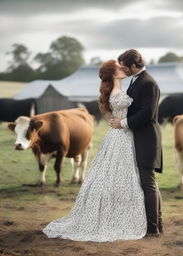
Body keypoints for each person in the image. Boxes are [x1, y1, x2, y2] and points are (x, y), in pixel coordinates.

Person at [42, 59, 147, 242]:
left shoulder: (121, 89)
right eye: (118, 68)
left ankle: (118, 212)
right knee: (118, 177)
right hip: (121, 135)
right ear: (113, 74)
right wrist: (122, 122)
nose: (122, 69)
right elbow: (127, 112)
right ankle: (111, 216)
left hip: (122, 135)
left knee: (121, 177)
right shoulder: (116, 92)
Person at [110, 49, 163, 237]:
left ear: (133, 66)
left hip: (147, 140)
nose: (122, 69)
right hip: (140, 139)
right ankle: (157, 226)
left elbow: (147, 114)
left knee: (147, 183)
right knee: (148, 183)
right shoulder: (137, 80)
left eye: (124, 66)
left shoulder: (148, 83)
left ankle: (152, 230)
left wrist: (122, 123)